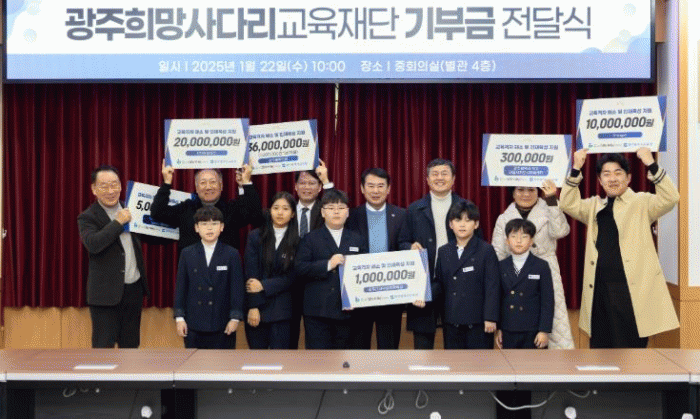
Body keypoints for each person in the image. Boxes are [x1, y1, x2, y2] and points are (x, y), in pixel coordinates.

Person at [560, 147, 680, 348]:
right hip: (599, 290)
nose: (612, 178)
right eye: (606, 174)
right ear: (600, 181)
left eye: (618, 173)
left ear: (629, 178)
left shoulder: (642, 202)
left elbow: (671, 198)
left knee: (631, 352)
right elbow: (567, 203)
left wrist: (651, 163)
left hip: (630, 292)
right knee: (600, 351)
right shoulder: (594, 206)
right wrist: (576, 168)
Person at [398, 158, 473, 349]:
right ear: (427, 180)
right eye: (435, 174)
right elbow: (402, 242)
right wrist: (409, 247)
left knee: (456, 343)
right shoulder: (414, 209)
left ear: (453, 179)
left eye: (444, 173)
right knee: (422, 344)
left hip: (458, 283)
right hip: (424, 283)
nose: (440, 178)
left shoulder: (466, 207)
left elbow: (476, 244)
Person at [491, 181, 574, 349]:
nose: (526, 194)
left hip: (545, 269)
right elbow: (498, 253)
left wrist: (552, 200)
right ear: (513, 192)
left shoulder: (549, 208)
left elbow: (561, 231)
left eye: (531, 189)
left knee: (554, 321)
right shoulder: (504, 218)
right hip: (514, 273)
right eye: (520, 189)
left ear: (538, 191)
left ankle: (555, 365)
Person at [77, 165, 149, 348]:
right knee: (103, 350)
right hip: (105, 295)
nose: (111, 191)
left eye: (114, 185)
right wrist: (118, 222)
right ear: (94, 189)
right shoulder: (87, 217)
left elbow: (151, 235)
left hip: (133, 290)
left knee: (131, 348)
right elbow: (94, 244)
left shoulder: (132, 208)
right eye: (104, 186)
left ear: (121, 186)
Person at [495, 219, 553, 419]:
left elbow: (548, 301)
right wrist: (499, 328)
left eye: (524, 236)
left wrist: (544, 330)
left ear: (532, 240)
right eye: (513, 236)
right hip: (509, 330)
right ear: (506, 240)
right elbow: (498, 299)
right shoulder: (500, 266)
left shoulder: (541, 266)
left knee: (527, 379)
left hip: (532, 332)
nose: (518, 241)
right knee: (506, 379)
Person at [295, 189, 367, 349]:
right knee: (318, 359)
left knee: (344, 358)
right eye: (331, 208)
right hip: (317, 312)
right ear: (322, 212)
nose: (336, 212)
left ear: (348, 212)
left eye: (341, 208)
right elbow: (300, 269)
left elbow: (364, 274)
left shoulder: (357, 239)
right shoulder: (310, 239)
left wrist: (357, 298)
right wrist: (328, 264)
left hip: (348, 311)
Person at [346, 168, 407, 349]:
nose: (375, 191)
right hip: (360, 292)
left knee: (389, 347)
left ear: (388, 189)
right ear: (362, 188)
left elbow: (404, 245)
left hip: (390, 292)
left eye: (381, 186)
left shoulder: (402, 215)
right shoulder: (351, 216)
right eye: (371, 186)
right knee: (358, 347)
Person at [151, 161, 263, 255]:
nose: (208, 187)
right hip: (192, 270)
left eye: (213, 182)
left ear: (221, 186)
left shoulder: (231, 210)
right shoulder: (186, 208)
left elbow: (256, 216)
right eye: (203, 183)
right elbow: (158, 212)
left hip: (225, 271)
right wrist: (166, 183)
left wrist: (246, 183)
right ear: (196, 188)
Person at [173, 206, 244, 349]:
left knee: (223, 362)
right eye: (204, 224)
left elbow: (237, 288)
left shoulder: (231, 254)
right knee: (195, 362)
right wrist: (179, 318)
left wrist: (235, 318)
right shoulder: (187, 253)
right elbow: (181, 287)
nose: (209, 228)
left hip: (223, 323)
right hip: (194, 323)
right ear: (196, 228)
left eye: (214, 224)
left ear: (222, 227)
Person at [432, 201, 500, 349]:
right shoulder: (444, 251)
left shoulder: (486, 250)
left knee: (480, 362)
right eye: (458, 220)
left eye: (468, 220)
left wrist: (491, 317)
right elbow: (439, 284)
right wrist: (423, 294)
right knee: (454, 362)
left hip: (479, 322)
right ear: (451, 224)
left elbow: (493, 286)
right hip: (451, 320)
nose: (462, 225)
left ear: (476, 224)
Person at [244, 192, 299, 349]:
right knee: (257, 360)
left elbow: (292, 276)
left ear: (292, 213)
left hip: (284, 311)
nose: (280, 212)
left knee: (281, 360)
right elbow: (251, 275)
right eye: (276, 208)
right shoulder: (255, 237)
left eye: (285, 209)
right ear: (269, 211)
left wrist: (264, 285)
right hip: (257, 309)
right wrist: (253, 307)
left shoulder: (298, 241)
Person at [290, 160, 335, 349]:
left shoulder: (327, 211)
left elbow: (336, 205)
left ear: (319, 188)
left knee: (317, 342)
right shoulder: (285, 210)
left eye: (312, 183)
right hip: (289, 283)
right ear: (295, 186)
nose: (307, 187)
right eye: (303, 183)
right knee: (289, 339)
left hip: (319, 282)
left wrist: (327, 181)